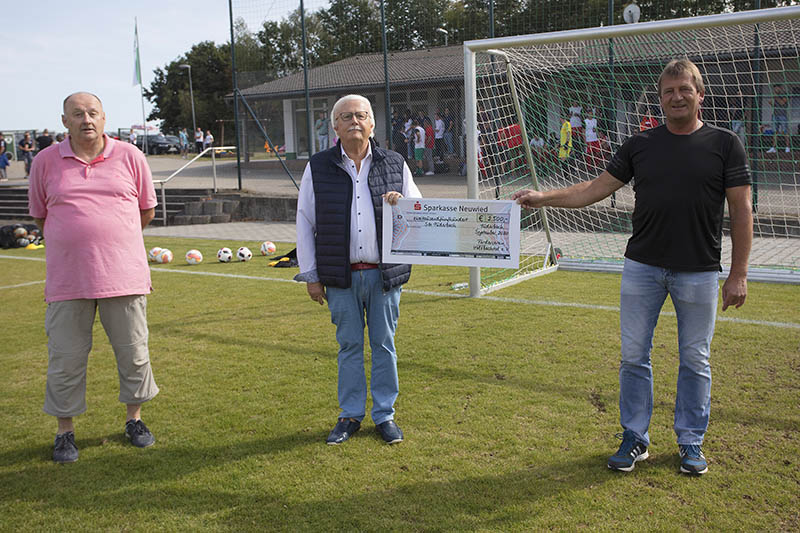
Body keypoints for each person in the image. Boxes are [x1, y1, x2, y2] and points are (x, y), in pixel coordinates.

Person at [512, 59, 753, 476]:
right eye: (668, 91)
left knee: (695, 359)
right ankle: (635, 438)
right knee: (633, 357)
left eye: (684, 89)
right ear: (660, 99)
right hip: (642, 267)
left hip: (699, 271)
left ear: (700, 94)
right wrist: (543, 197)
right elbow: (594, 188)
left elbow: (742, 209)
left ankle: (691, 442)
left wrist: (739, 273)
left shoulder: (725, 143)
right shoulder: (640, 144)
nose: (676, 97)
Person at [28, 92, 160, 463]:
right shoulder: (45, 161)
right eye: (77, 114)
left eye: (93, 113)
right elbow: (41, 216)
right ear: (64, 121)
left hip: (125, 278)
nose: (86, 119)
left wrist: (112, 238)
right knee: (66, 358)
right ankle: (65, 431)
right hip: (68, 281)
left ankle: (134, 420)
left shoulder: (130, 156)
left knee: (134, 355)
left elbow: (145, 211)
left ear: (104, 118)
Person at [295, 94, 421, 446]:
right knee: (349, 347)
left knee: (384, 346)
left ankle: (385, 415)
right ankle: (350, 415)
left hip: (384, 276)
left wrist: (403, 204)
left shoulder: (395, 163)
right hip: (340, 276)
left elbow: (419, 212)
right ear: (334, 125)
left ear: (372, 124)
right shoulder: (317, 167)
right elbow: (305, 222)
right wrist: (311, 275)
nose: (354, 121)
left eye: (361, 115)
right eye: (346, 116)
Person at [768, 84, 790, 153]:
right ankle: (774, 147)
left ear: (780, 88)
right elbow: (772, 104)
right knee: (775, 132)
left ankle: (787, 147)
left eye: (776, 88)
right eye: (774, 89)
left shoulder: (784, 94)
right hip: (775, 115)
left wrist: (776, 97)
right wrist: (771, 101)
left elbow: (782, 102)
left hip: (783, 115)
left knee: (785, 131)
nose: (775, 90)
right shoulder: (775, 95)